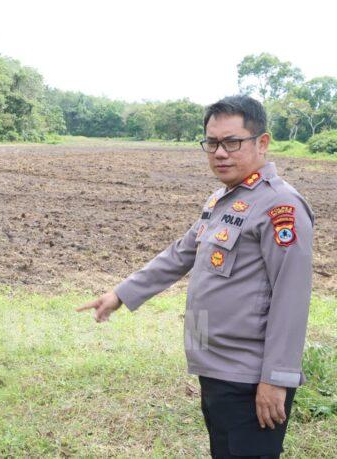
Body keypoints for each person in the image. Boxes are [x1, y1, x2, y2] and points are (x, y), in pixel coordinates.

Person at [77, 95, 313, 458]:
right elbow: (181, 253)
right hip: (216, 367)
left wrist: (275, 379)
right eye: (212, 142)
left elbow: (291, 297)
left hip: (250, 378)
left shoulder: (281, 207)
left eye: (232, 142)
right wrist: (121, 294)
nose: (220, 153)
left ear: (262, 142)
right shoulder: (223, 199)